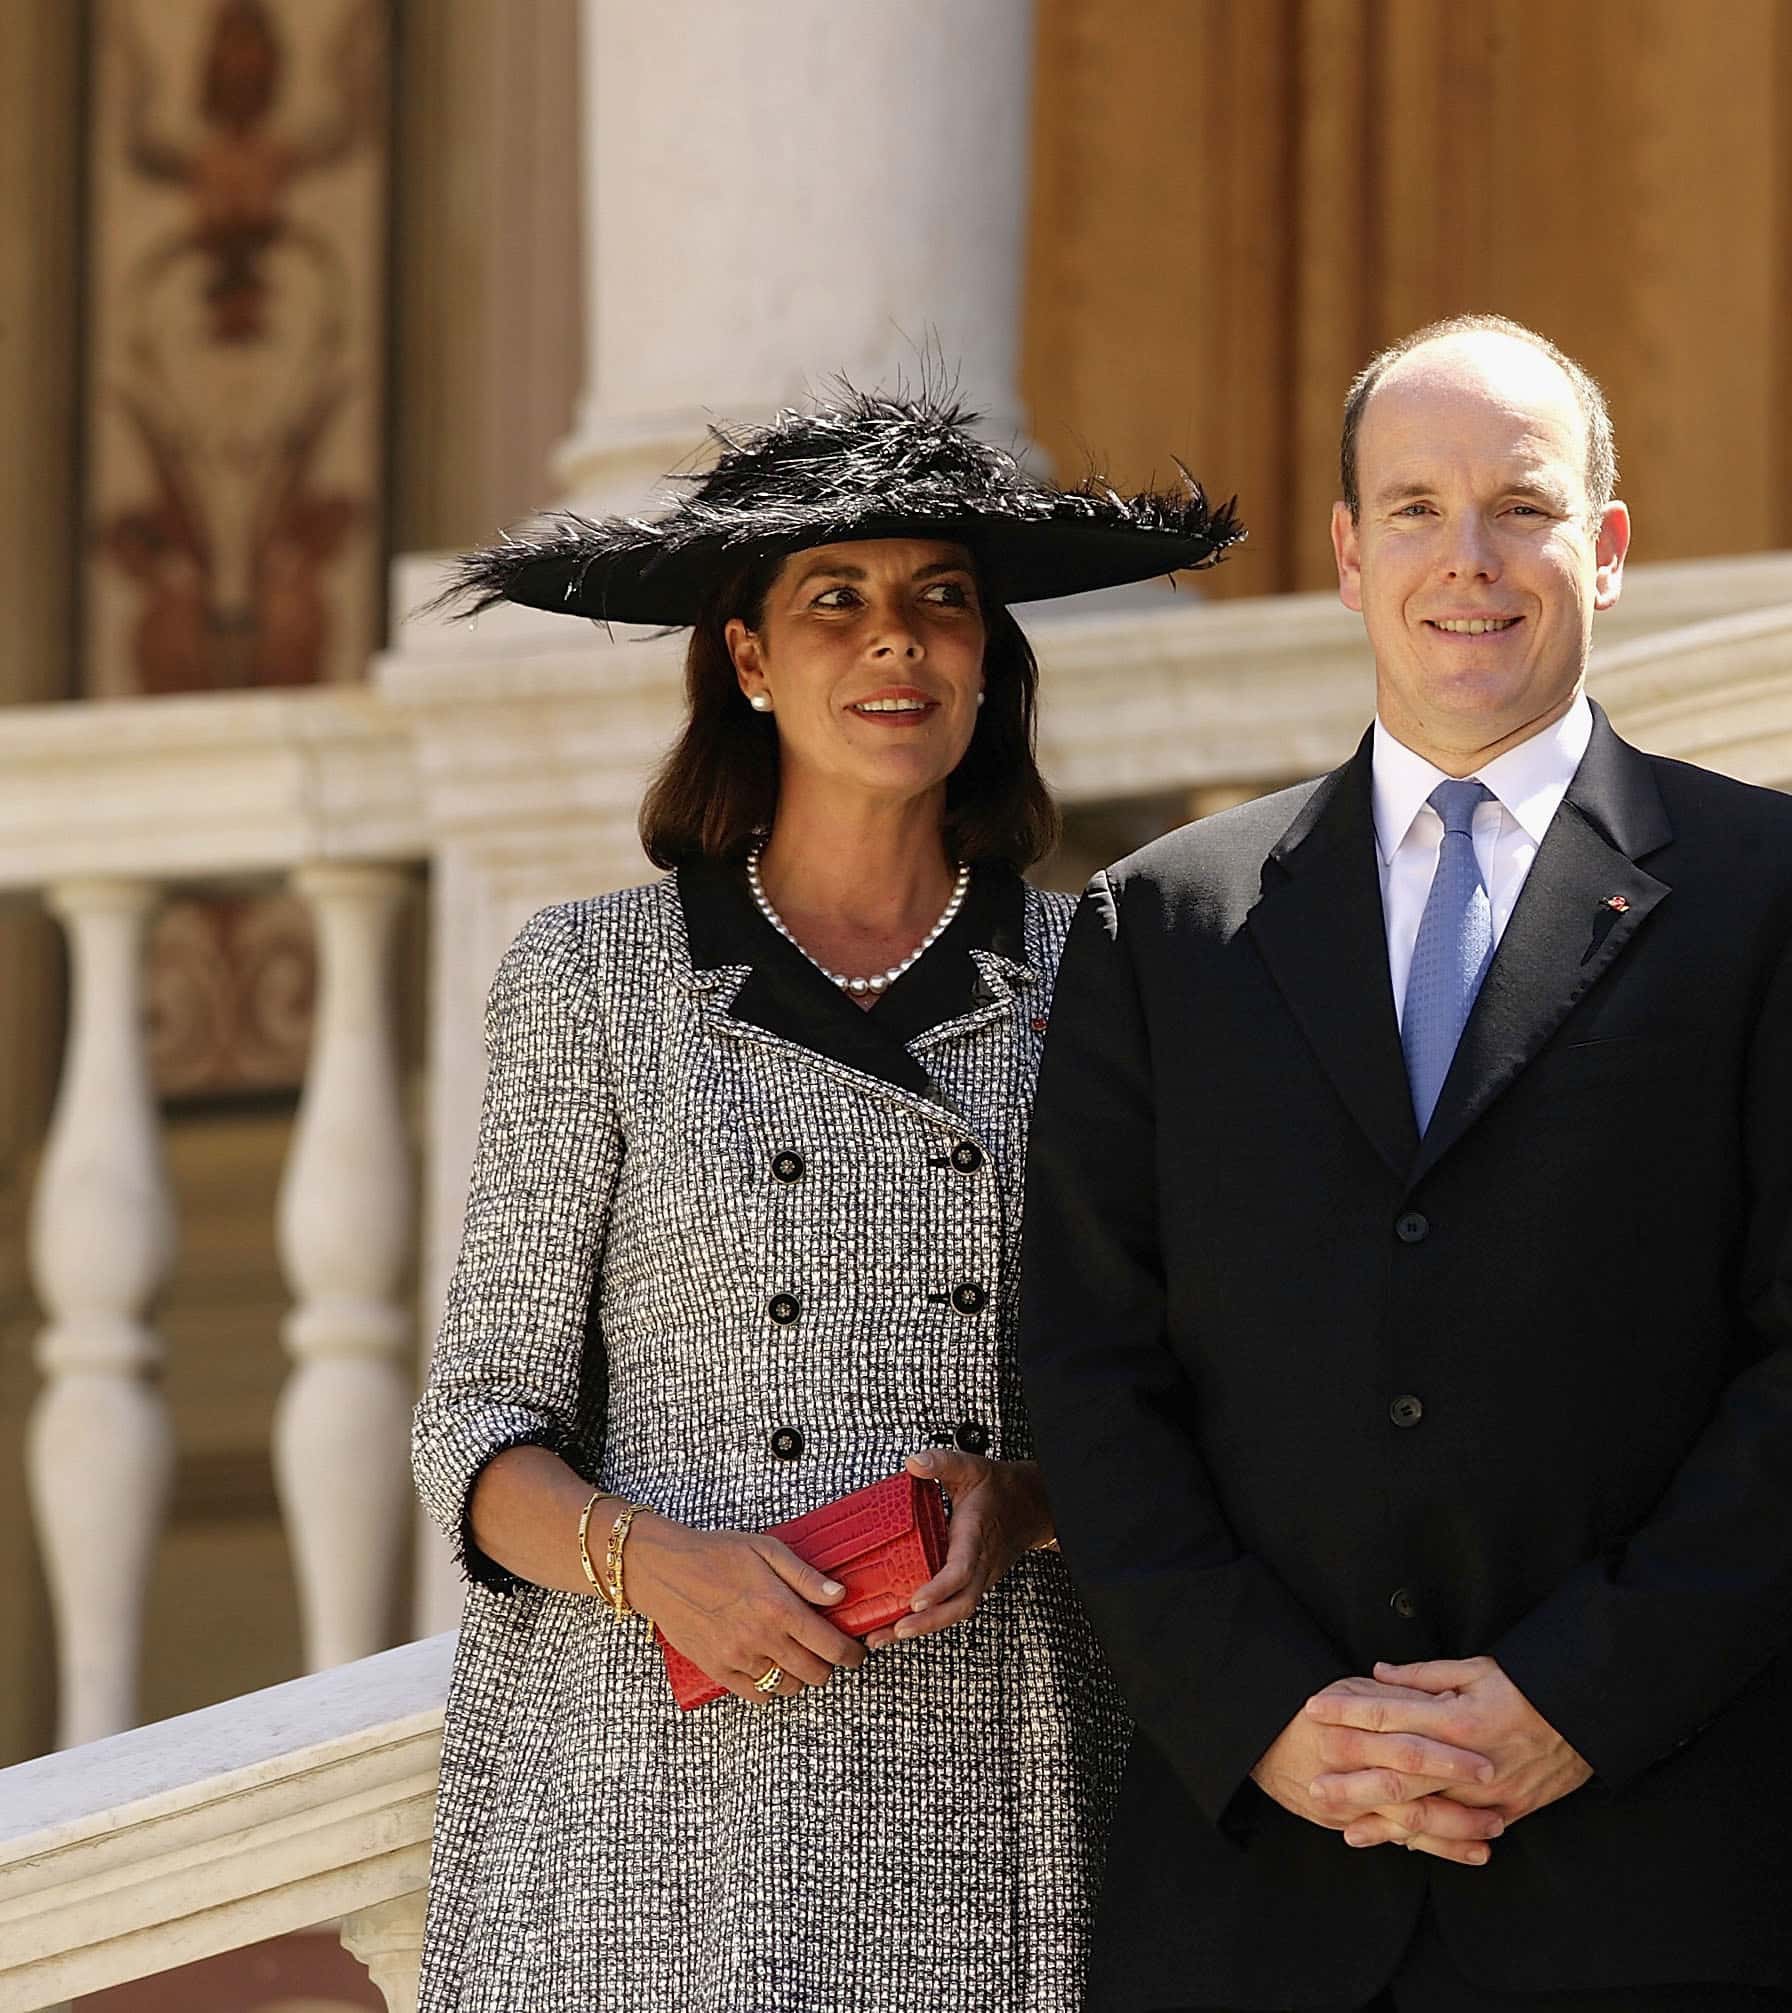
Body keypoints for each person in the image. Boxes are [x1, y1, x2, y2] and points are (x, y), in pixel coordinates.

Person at [1017, 315, 1792, 2011]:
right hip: (1256, 1891)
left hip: (1643, 1872)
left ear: (1611, 547)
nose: (1470, 561)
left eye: (1522, 504)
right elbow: (1084, 1364)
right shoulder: (1167, 921)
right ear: (1351, 556)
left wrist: (1574, 1697)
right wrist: (1270, 1715)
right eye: (1415, 510)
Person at [407, 384, 1240, 2013]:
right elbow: (475, 1430)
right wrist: (662, 1564)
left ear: (988, 656)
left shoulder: (1108, 977)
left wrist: (1029, 1501)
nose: (896, 644)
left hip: (990, 1760)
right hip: (650, 1801)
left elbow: (1195, 1394)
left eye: (940, 599)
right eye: (836, 601)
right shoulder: (592, 981)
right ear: (747, 659)